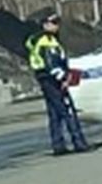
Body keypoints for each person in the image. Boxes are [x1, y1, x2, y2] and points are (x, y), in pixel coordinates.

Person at [26, 14, 92, 156]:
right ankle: (79, 142)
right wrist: (64, 79)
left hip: (45, 79)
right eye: (53, 22)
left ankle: (58, 145)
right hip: (52, 80)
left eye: (57, 22)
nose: (56, 26)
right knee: (67, 111)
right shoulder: (46, 42)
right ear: (45, 25)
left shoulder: (45, 40)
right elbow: (52, 65)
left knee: (54, 113)